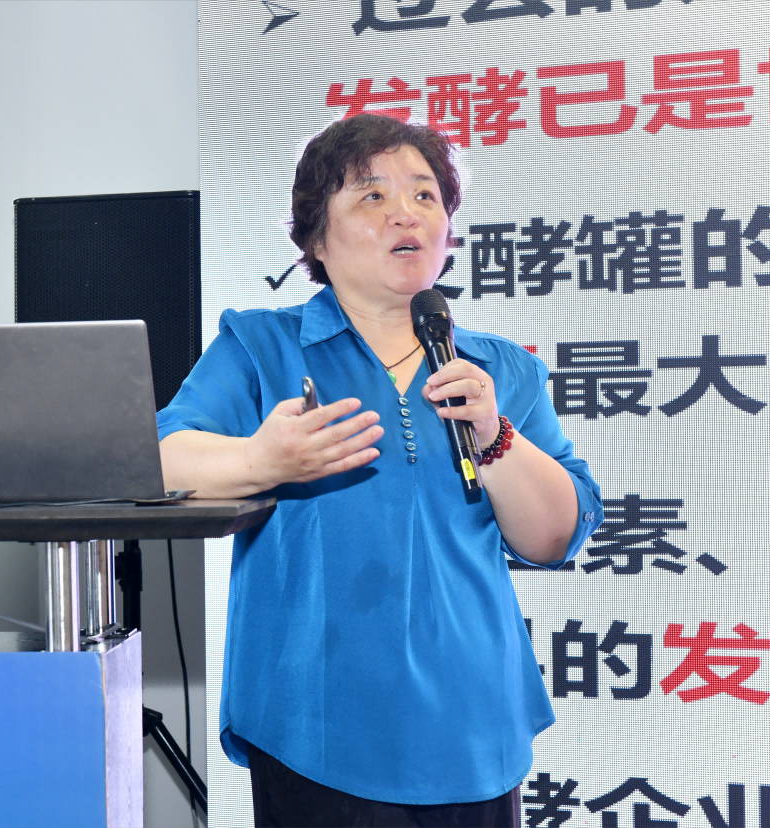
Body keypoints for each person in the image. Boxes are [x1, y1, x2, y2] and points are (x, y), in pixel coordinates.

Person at [157, 113, 603, 828]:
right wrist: (260, 460)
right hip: (316, 727)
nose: (406, 213)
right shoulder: (263, 347)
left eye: (426, 195)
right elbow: (159, 460)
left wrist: (495, 437)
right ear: (316, 238)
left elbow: (554, 535)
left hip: (474, 725)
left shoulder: (499, 370)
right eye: (372, 195)